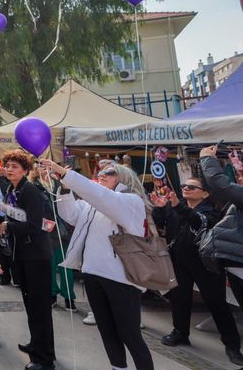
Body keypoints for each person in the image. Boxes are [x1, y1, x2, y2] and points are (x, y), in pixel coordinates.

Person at [42, 158, 155, 370]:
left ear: (123, 178)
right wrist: (64, 188)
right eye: (101, 172)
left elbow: (103, 197)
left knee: (130, 334)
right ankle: (118, 368)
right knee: (107, 330)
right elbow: (70, 215)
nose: (102, 175)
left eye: (109, 172)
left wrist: (66, 174)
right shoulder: (94, 203)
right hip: (93, 274)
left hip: (121, 279)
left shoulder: (131, 201)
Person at [150, 176, 243, 365]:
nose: (186, 188)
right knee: (180, 298)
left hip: (206, 264)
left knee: (217, 304)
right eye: (184, 185)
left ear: (205, 193)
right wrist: (159, 207)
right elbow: (160, 223)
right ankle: (180, 333)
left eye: (192, 187)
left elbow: (198, 222)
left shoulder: (211, 211)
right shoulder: (176, 205)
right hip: (179, 261)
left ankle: (232, 346)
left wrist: (176, 206)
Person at [0, 150, 54, 370]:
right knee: (31, 305)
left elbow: (33, 225)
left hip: (36, 256)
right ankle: (37, 344)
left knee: (39, 308)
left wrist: (7, 225)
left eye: (15, 167)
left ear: (26, 170)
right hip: (23, 254)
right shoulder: (13, 189)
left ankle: (45, 359)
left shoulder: (29, 191)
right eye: (8, 165)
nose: (9, 169)